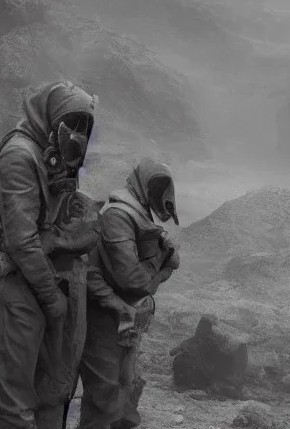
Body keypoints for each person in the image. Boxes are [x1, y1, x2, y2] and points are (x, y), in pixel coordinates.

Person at [0, 80, 103, 429]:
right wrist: (51, 298)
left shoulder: (48, 151)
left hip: (36, 277)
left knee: (50, 388)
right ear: (51, 116)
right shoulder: (19, 155)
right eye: (71, 123)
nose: (77, 134)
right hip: (13, 282)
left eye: (83, 126)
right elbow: (22, 241)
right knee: (18, 396)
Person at [78, 158, 181, 429]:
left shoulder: (138, 215)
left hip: (126, 318)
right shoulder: (118, 216)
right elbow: (133, 280)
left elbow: (149, 276)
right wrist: (163, 258)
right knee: (104, 396)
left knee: (126, 390)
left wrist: (160, 266)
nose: (160, 194)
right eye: (156, 186)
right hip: (104, 318)